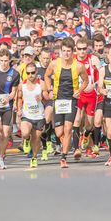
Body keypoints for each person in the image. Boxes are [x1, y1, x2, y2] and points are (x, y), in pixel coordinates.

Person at [44, 37, 88, 168]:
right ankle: (68, 145)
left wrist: (79, 90)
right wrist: (50, 89)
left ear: (73, 51)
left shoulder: (79, 66)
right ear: (61, 51)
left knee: (68, 128)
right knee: (59, 132)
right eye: (64, 51)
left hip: (71, 100)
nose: (66, 54)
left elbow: (85, 80)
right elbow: (47, 76)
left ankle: (63, 157)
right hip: (58, 99)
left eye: (69, 51)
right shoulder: (54, 63)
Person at [17, 63, 50, 168]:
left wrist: (42, 97)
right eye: (28, 73)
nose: (30, 75)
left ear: (36, 73)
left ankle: (34, 158)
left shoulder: (42, 84)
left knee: (36, 138)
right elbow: (19, 97)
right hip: (27, 114)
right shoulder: (22, 85)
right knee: (25, 133)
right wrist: (18, 109)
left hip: (39, 115)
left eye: (32, 73)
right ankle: (26, 140)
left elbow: (47, 97)